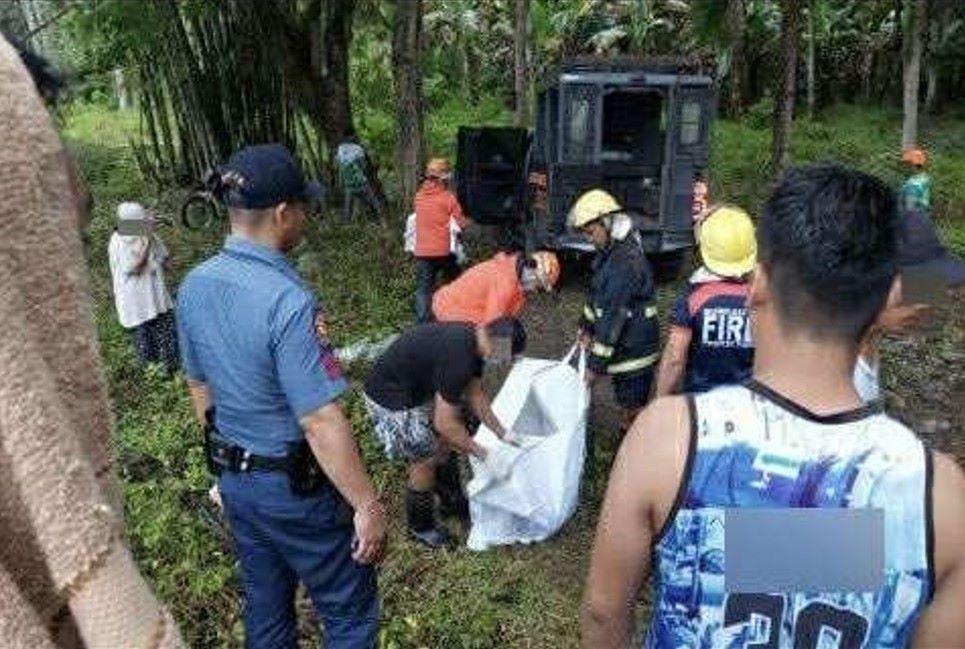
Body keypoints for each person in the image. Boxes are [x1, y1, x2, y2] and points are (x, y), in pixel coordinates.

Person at [581, 164, 965, 648]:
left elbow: (601, 612)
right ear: (888, 296)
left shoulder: (667, 439)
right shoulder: (942, 497)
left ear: (757, 282)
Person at [1, 33, 184, 647]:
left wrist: (156, 239)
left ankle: (160, 377)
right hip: (137, 309)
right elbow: (134, 265)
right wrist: (143, 239)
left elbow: (160, 258)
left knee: (163, 350)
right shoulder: (119, 242)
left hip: (158, 306)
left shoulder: (140, 235)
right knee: (148, 352)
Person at [176, 144, 387, 648]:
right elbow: (319, 418)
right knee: (349, 615)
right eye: (304, 207)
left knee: (267, 611)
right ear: (282, 213)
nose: (306, 218)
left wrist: (220, 473)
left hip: (239, 485)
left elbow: (198, 384)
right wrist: (366, 504)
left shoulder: (194, 285)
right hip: (297, 493)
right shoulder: (289, 301)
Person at [362, 317, 526, 548]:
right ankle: (420, 526)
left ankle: (451, 499)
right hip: (390, 395)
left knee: (445, 441)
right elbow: (444, 424)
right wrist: (485, 455)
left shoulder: (476, 342)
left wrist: (502, 432)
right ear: (498, 342)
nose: (504, 362)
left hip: (415, 386)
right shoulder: (460, 357)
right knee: (425, 457)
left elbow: (476, 395)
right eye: (507, 355)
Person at [570, 189, 660, 429]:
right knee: (625, 407)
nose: (589, 239)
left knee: (633, 413)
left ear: (607, 222)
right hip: (626, 345)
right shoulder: (609, 252)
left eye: (591, 232)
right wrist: (586, 325)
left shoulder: (624, 261)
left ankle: (634, 453)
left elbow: (611, 319)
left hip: (635, 353)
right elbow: (597, 294)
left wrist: (594, 367)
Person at [854, 207, 965, 402]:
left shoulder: (864, 339)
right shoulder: (834, 371)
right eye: (912, 285)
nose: (923, 305)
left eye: (923, 284)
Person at [654, 205, 756, 397]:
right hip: (748, 404)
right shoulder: (761, 301)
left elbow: (675, 359)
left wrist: (660, 401)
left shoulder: (693, 299)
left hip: (701, 402)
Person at [108, 201, 179, 374]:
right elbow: (134, 266)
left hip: (157, 298)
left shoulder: (148, 235)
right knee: (146, 345)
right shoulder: (118, 242)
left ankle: (171, 370)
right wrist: (147, 237)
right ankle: (154, 377)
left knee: (168, 337)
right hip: (137, 304)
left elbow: (164, 257)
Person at [432, 249, 560, 325]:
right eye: (539, 287)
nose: (535, 291)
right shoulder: (505, 285)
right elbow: (493, 327)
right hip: (449, 314)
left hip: (454, 308)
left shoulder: (509, 269)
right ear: (533, 276)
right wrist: (505, 360)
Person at [413, 157, 469, 322]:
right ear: (443, 179)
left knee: (423, 289)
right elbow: (460, 224)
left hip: (422, 252)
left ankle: (422, 323)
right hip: (444, 252)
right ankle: (455, 314)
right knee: (454, 281)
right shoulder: (448, 198)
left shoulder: (418, 197)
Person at [336, 138, 383, 221]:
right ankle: (380, 217)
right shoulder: (357, 149)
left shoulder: (340, 149)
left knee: (348, 207)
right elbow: (364, 166)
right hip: (361, 182)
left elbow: (339, 167)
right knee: (373, 201)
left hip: (349, 184)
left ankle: (347, 222)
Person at [901, 147, 932, 217]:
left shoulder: (914, 184)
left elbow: (910, 207)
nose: (905, 166)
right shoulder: (923, 178)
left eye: (907, 164)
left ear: (913, 165)